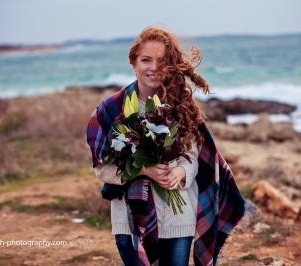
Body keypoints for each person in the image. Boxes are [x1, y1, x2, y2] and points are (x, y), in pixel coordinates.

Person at [86, 26, 245, 266]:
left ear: (170, 65)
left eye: (161, 61)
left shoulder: (180, 103)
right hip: (130, 218)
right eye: (146, 60)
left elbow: (192, 155)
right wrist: (142, 170)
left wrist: (179, 173)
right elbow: (102, 169)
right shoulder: (111, 110)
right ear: (134, 63)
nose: (153, 67)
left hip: (177, 216)